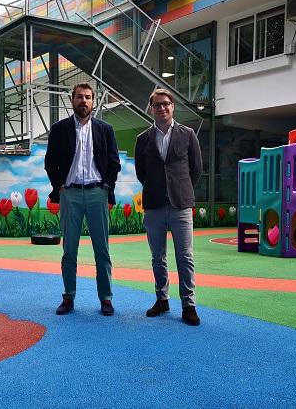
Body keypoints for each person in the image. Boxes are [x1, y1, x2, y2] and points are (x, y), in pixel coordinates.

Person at [44, 83, 121, 316]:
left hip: (98, 193)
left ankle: (106, 299)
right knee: (69, 250)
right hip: (70, 194)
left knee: (102, 250)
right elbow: (50, 163)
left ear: (93, 101)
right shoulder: (59, 129)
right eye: (79, 97)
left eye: (88, 97)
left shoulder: (105, 129)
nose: (84, 101)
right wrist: (60, 187)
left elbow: (114, 163)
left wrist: (107, 187)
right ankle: (68, 297)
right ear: (72, 100)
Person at [134, 88, 203, 326]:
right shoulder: (142, 139)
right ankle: (162, 300)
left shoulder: (188, 134)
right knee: (158, 257)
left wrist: (180, 189)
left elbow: (196, 169)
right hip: (154, 205)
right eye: (157, 105)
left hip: (180, 205)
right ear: (151, 109)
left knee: (185, 256)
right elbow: (141, 173)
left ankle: (188, 305)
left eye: (166, 103)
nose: (162, 108)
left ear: (173, 106)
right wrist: (158, 188)